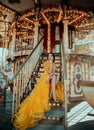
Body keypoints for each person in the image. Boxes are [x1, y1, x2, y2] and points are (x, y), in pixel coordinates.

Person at [13, 53, 64, 130]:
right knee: (54, 77)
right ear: (48, 57)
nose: (50, 57)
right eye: (49, 56)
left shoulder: (54, 64)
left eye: (51, 56)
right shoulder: (45, 63)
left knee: (55, 76)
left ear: (53, 57)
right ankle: (53, 95)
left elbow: (52, 72)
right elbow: (49, 71)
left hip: (49, 77)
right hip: (45, 79)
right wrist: (49, 70)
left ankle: (52, 94)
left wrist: (50, 73)